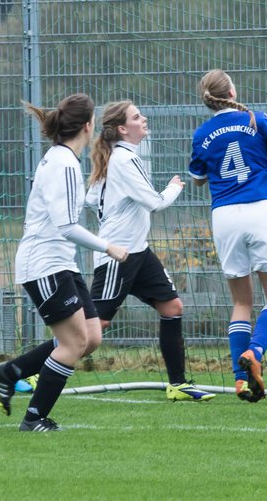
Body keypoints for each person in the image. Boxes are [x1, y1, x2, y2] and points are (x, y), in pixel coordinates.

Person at [0, 94, 129, 431]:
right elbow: (66, 226)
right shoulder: (64, 163)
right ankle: (34, 419)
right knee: (74, 343)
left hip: (61, 263)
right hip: (45, 265)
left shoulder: (61, 158)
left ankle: (11, 372)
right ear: (88, 125)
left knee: (90, 337)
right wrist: (108, 247)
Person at [86, 100, 214, 402]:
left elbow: (92, 198)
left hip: (138, 252)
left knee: (173, 308)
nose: (143, 119)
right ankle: (25, 370)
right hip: (119, 254)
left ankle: (178, 384)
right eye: (136, 116)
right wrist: (174, 187)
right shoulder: (122, 159)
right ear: (122, 128)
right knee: (95, 327)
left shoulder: (122, 158)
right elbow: (155, 203)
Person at [188, 70, 267, 402]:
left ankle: (239, 379)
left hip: (224, 217)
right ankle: (255, 351)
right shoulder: (256, 119)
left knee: (241, 301)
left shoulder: (201, 133)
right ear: (232, 91)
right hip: (259, 211)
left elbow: (198, 178)